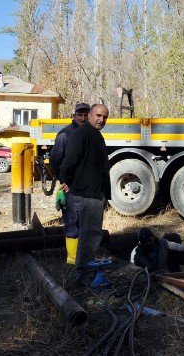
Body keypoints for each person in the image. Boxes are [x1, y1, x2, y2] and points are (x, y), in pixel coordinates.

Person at [59, 104, 110, 282]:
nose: (101, 119)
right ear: (89, 115)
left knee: (91, 234)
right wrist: (65, 181)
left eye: (104, 117)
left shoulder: (96, 135)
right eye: (98, 115)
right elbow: (69, 160)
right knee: (90, 234)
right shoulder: (81, 134)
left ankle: (85, 270)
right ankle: (85, 274)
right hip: (86, 195)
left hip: (94, 193)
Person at [49, 102, 90, 264]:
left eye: (86, 114)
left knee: (85, 221)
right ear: (74, 116)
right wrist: (64, 181)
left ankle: (84, 257)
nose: (83, 117)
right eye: (79, 114)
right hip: (71, 187)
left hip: (87, 187)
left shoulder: (90, 133)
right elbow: (55, 160)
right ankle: (73, 260)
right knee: (72, 221)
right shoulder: (65, 134)